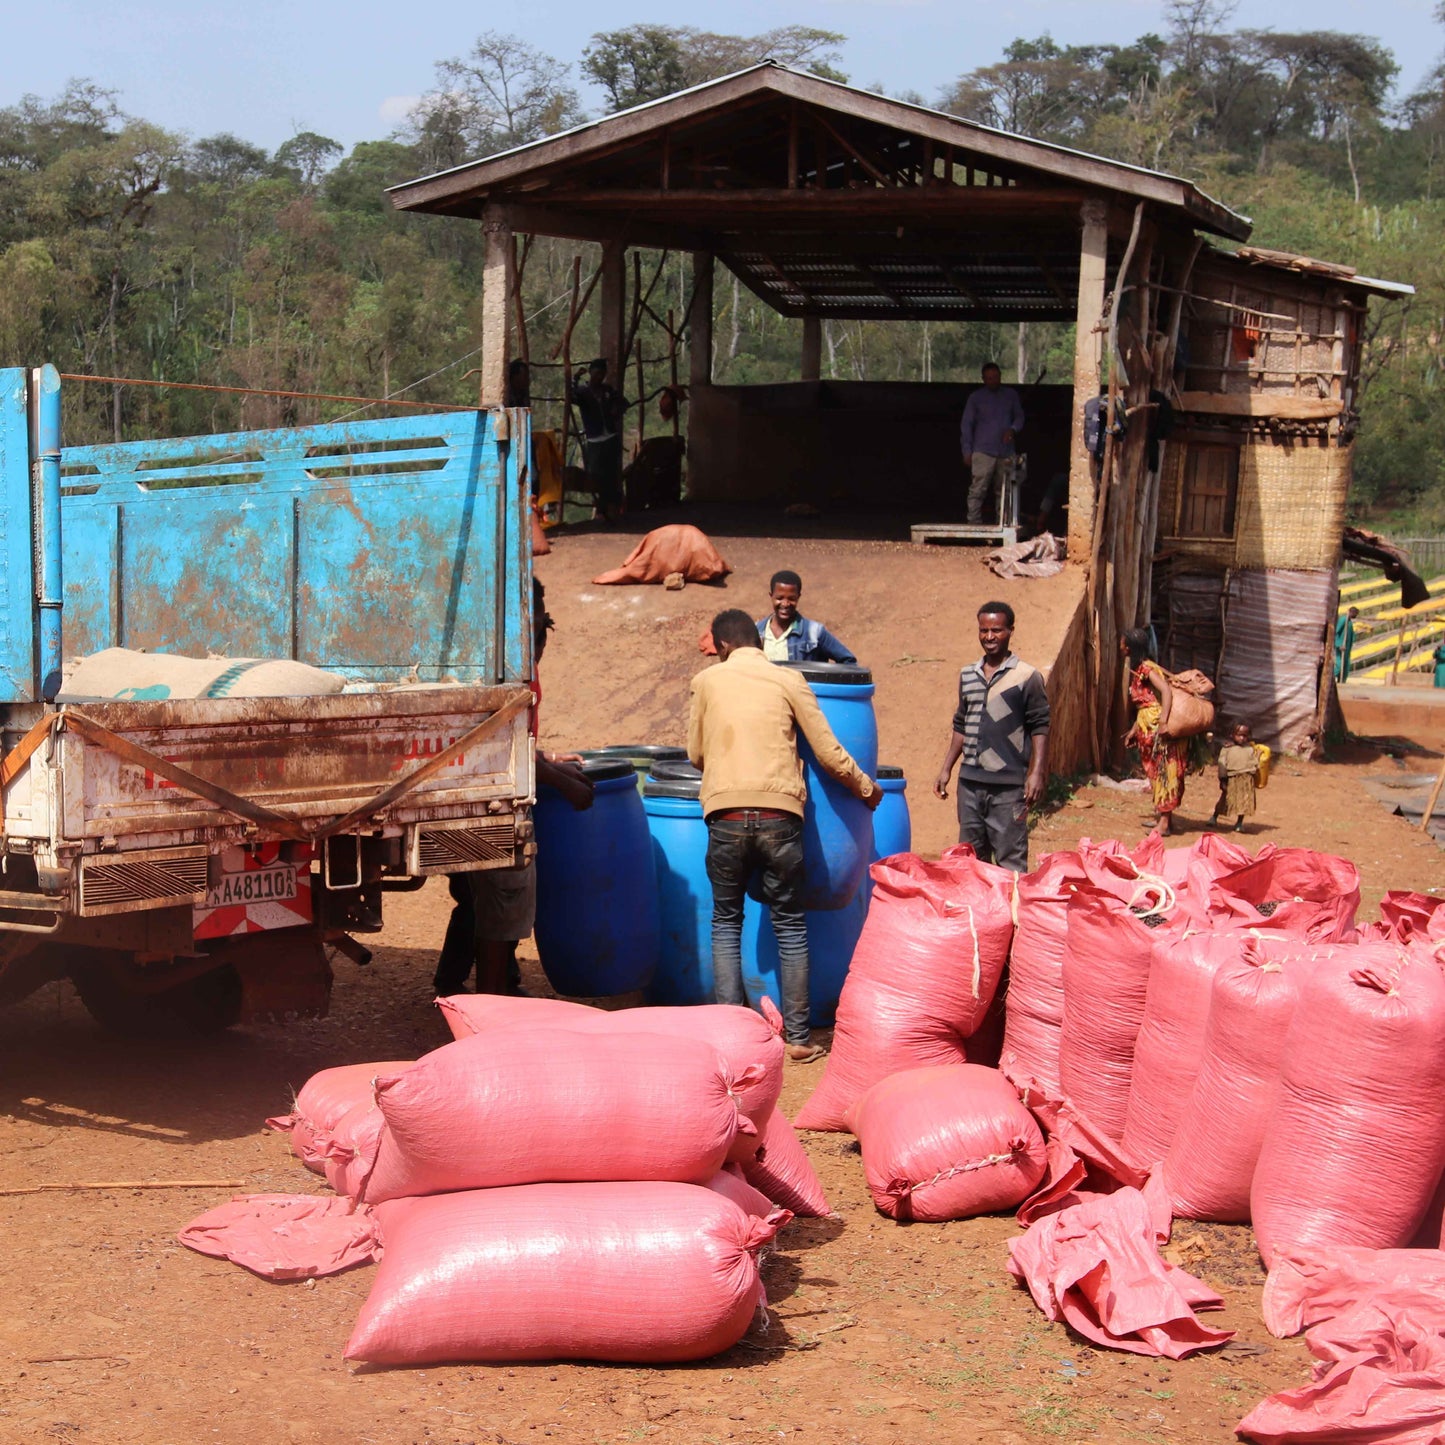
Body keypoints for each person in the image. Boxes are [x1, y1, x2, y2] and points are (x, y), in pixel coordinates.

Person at [688, 609, 880, 1062]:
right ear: (755, 643)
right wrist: (866, 788)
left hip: (726, 815)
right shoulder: (789, 681)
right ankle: (797, 1038)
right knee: (790, 925)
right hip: (780, 817)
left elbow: (695, 754)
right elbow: (830, 753)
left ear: (721, 647)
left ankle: (732, 1037)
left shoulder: (707, 683)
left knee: (725, 922)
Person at [434, 577, 593, 996]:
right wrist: (562, 782)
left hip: (493, 790)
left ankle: (457, 985)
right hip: (491, 800)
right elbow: (501, 745)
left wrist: (549, 760)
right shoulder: (498, 662)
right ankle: (492, 1002)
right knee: (500, 906)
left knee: (477, 902)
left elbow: (520, 739)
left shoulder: (519, 660)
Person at [932, 602, 1050, 871]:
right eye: (983, 630)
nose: (989, 637)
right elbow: (961, 724)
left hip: (1008, 788)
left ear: (1010, 631)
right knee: (970, 862)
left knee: (1011, 863)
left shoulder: (1026, 677)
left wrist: (1037, 773)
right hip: (970, 785)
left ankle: (1011, 914)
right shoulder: (967, 675)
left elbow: (1040, 725)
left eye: (996, 630)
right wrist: (946, 768)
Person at [1121, 627, 1189, 836]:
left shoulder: (1147, 669)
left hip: (1156, 728)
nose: (1120, 646)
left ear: (1130, 647)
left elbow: (1165, 692)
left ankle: (1165, 823)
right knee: (1157, 771)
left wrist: (1163, 722)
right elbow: (1145, 703)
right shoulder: (1139, 669)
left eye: (1123, 642)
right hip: (1146, 725)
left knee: (1163, 771)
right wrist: (1134, 730)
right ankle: (1164, 818)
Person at [960, 362, 1024, 524]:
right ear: (983, 379)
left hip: (1006, 451)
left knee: (1004, 491)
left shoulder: (1011, 395)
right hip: (982, 451)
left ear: (1000, 377)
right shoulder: (975, 398)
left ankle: (1002, 523)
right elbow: (966, 425)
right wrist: (967, 451)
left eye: (995, 377)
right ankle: (973, 523)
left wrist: (1013, 429)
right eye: (989, 378)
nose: (992, 381)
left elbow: (1019, 417)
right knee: (977, 489)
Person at [755, 570, 857, 664]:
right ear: (771, 596)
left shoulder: (813, 632)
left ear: (798, 597)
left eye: (791, 598)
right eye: (779, 598)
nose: (785, 604)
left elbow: (849, 661)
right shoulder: (756, 632)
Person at [568, 358, 626, 520]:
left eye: (602, 373)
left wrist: (616, 410)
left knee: (612, 473)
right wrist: (575, 378)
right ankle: (602, 509)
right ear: (591, 372)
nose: (599, 376)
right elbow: (571, 397)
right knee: (597, 475)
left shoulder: (608, 390)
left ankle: (611, 507)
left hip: (610, 438)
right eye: (597, 373)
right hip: (594, 440)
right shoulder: (583, 391)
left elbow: (622, 403)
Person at [1212, 721, 1261, 833]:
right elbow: (1222, 763)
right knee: (1225, 800)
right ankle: (1214, 817)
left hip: (1246, 779)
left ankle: (1239, 823)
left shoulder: (1250, 749)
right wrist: (1222, 779)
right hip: (1231, 779)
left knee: (1244, 802)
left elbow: (1255, 764)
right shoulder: (1227, 749)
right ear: (1232, 735)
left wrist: (1257, 761)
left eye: (1245, 735)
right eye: (1239, 735)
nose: (1242, 738)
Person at [1335, 606, 1359, 681]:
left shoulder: (1349, 622)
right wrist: (1338, 645)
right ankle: (1329, 679)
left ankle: (1341, 682)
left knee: (1345, 668)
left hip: (1347, 650)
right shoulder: (1343, 620)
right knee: (1339, 666)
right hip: (1341, 648)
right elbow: (1335, 632)